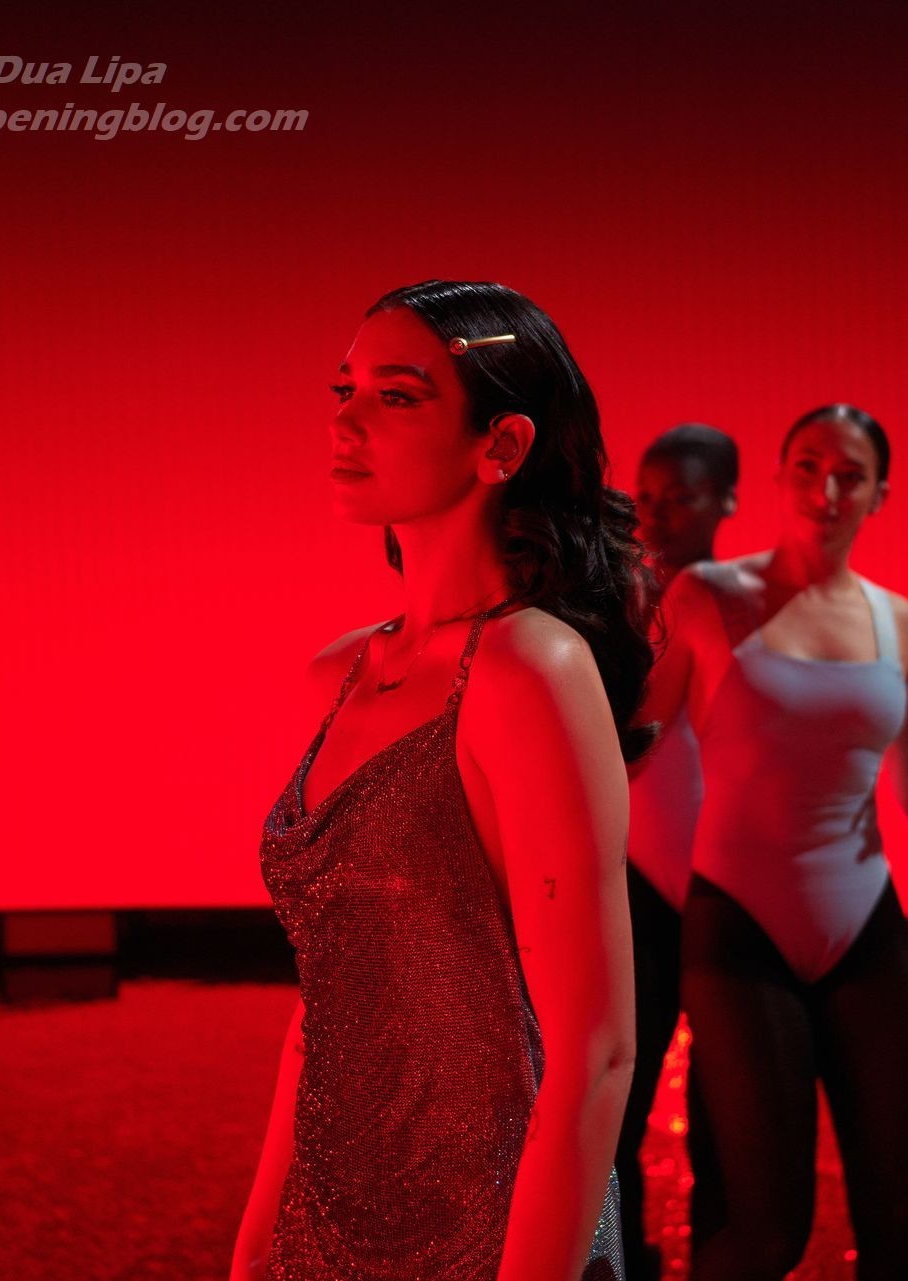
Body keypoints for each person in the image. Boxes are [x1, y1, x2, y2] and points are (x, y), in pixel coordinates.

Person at [231, 280, 651, 1281]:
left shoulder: (529, 670)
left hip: (497, 1229)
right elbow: (325, 1010)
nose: (346, 419)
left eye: (398, 395)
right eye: (344, 389)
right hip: (329, 1220)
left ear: (501, 445)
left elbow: (596, 1053)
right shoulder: (334, 676)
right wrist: (253, 1251)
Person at [638, 403, 908, 1280]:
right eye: (808, 466)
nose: (826, 490)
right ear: (779, 476)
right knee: (768, 1232)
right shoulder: (707, 597)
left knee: (900, 1232)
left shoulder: (895, 618)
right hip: (738, 930)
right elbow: (629, 747)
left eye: (849, 476)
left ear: (878, 495)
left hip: (863, 925)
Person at [618, 422, 738, 1280]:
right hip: (636, 882)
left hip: (728, 885)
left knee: (725, 1116)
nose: (658, 515)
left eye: (681, 497)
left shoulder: (746, 605)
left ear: (726, 501)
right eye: (647, 497)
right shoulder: (616, 606)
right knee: (617, 1099)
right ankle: (621, 1261)